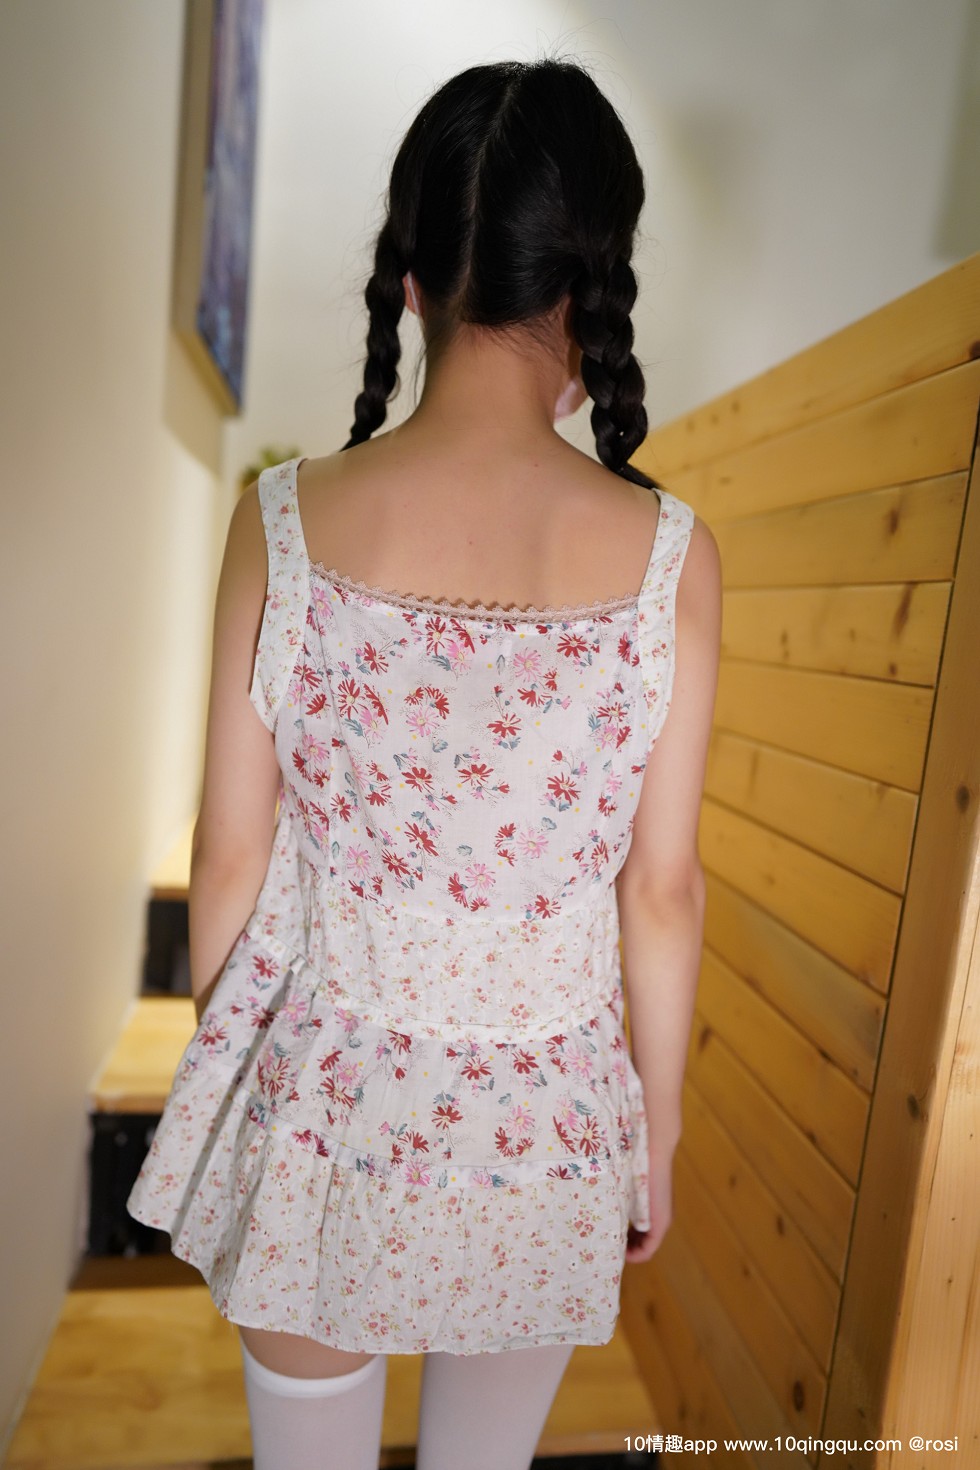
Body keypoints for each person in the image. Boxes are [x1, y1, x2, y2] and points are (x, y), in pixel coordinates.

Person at [127, 55, 721, 1470]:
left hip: (321, 1093)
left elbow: (230, 851)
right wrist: (656, 1130)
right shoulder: (673, 560)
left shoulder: (281, 519)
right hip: (545, 1123)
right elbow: (662, 892)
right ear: (595, 284)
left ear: (409, 282)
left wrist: (243, 1084)